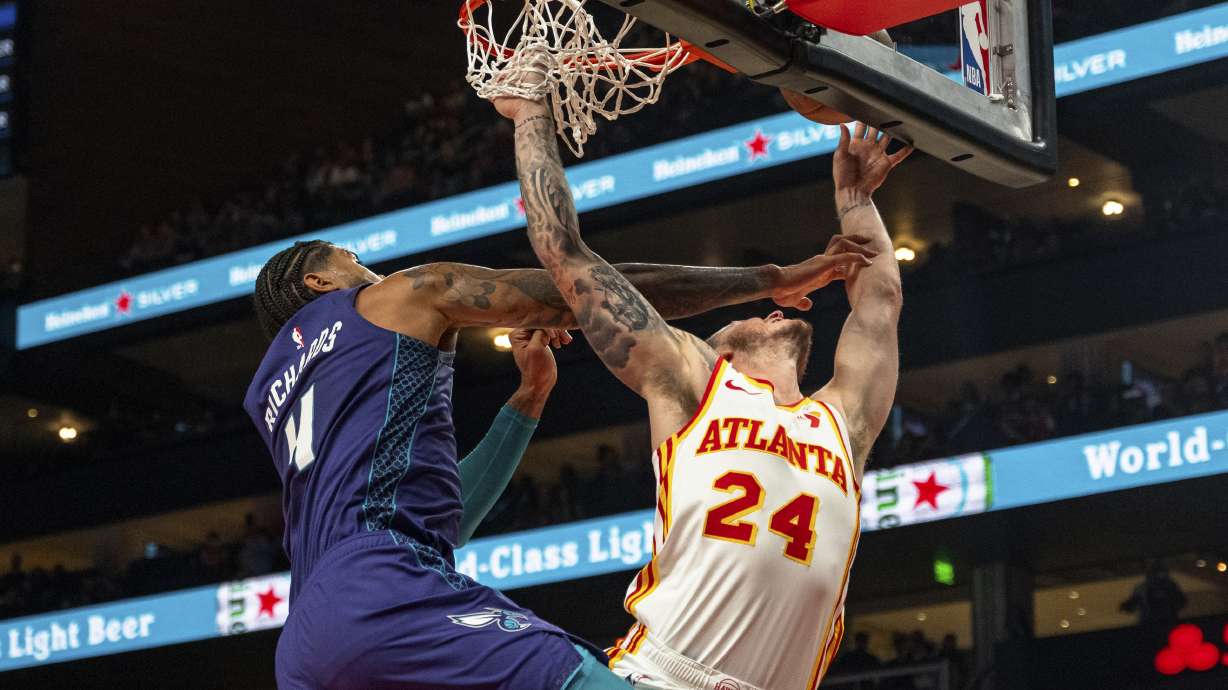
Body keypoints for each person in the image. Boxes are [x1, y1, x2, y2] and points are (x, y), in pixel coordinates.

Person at [244, 233, 866, 684]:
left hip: (306, 645)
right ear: (318, 284)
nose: (377, 273)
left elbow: (442, 524)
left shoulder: (275, 392)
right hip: (378, 591)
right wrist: (767, 279)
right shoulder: (400, 298)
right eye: (356, 263)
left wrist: (529, 395)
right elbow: (596, 296)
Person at [497, 86, 910, 690]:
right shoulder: (694, 382)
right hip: (663, 676)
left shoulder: (843, 421)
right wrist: (530, 115)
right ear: (718, 343)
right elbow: (564, 251)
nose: (772, 315)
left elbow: (881, 300)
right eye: (752, 316)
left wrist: (854, 199)